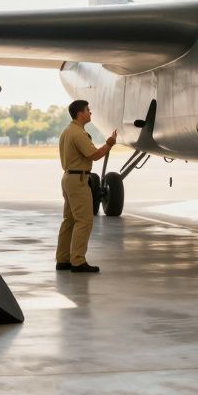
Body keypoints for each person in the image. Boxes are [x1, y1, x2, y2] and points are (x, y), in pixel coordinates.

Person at [56, 99, 116, 273]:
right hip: (78, 180)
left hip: (68, 178)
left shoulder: (67, 131)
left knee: (69, 220)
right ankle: (78, 261)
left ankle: (63, 259)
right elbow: (94, 155)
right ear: (80, 113)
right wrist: (109, 144)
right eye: (88, 110)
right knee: (84, 221)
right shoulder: (78, 134)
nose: (90, 113)